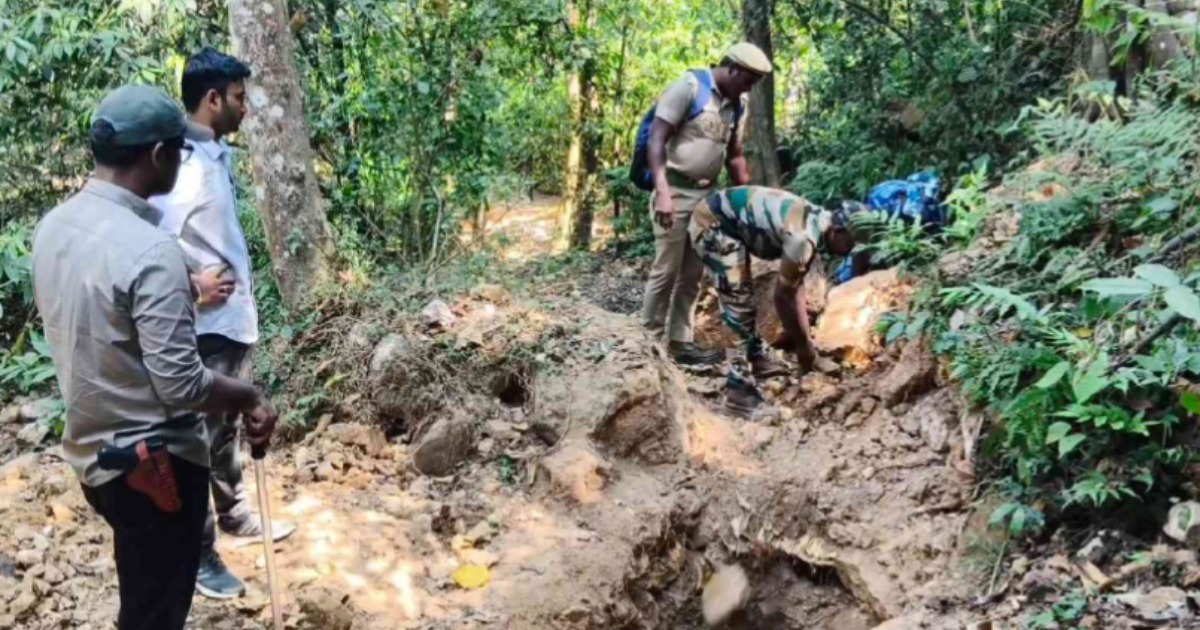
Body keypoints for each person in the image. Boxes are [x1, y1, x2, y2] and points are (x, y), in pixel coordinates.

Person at [31, 84, 279, 630]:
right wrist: (249, 395)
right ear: (160, 157)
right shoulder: (151, 250)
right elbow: (182, 385)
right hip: (156, 467)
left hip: (95, 459)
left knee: (142, 594)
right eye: (180, 150)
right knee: (157, 613)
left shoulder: (53, 228)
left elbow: (103, 319)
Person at [149, 48, 295, 600]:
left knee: (224, 431)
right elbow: (151, 239)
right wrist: (193, 283)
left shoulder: (212, 155)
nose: (245, 109)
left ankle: (233, 514)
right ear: (212, 99)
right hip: (206, 325)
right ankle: (201, 554)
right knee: (194, 440)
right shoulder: (181, 166)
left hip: (230, 324)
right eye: (238, 98)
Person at [640, 42, 773, 368]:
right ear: (733, 69)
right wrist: (662, 193)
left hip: (706, 199)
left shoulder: (736, 106)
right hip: (674, 190)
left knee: (692, 273)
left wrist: (748, 202)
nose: (750, 88)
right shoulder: (689, 87)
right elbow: (656, 139)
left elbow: (735, 155)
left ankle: (679, 343)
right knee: (666, 270)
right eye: (748, 80)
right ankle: (647, 341)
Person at [689, 186, 871, 415]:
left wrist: (808, 351)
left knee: (745, 299)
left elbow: (796, 284)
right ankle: (739, 394)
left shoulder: (818, 221)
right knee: (738, 306)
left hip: (727, 220)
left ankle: (757, 359)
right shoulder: (802, 239)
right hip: (713, 223)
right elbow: (783, 296)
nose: (851, 251)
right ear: (838, 232)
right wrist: (805, 350)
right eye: (852, 244)